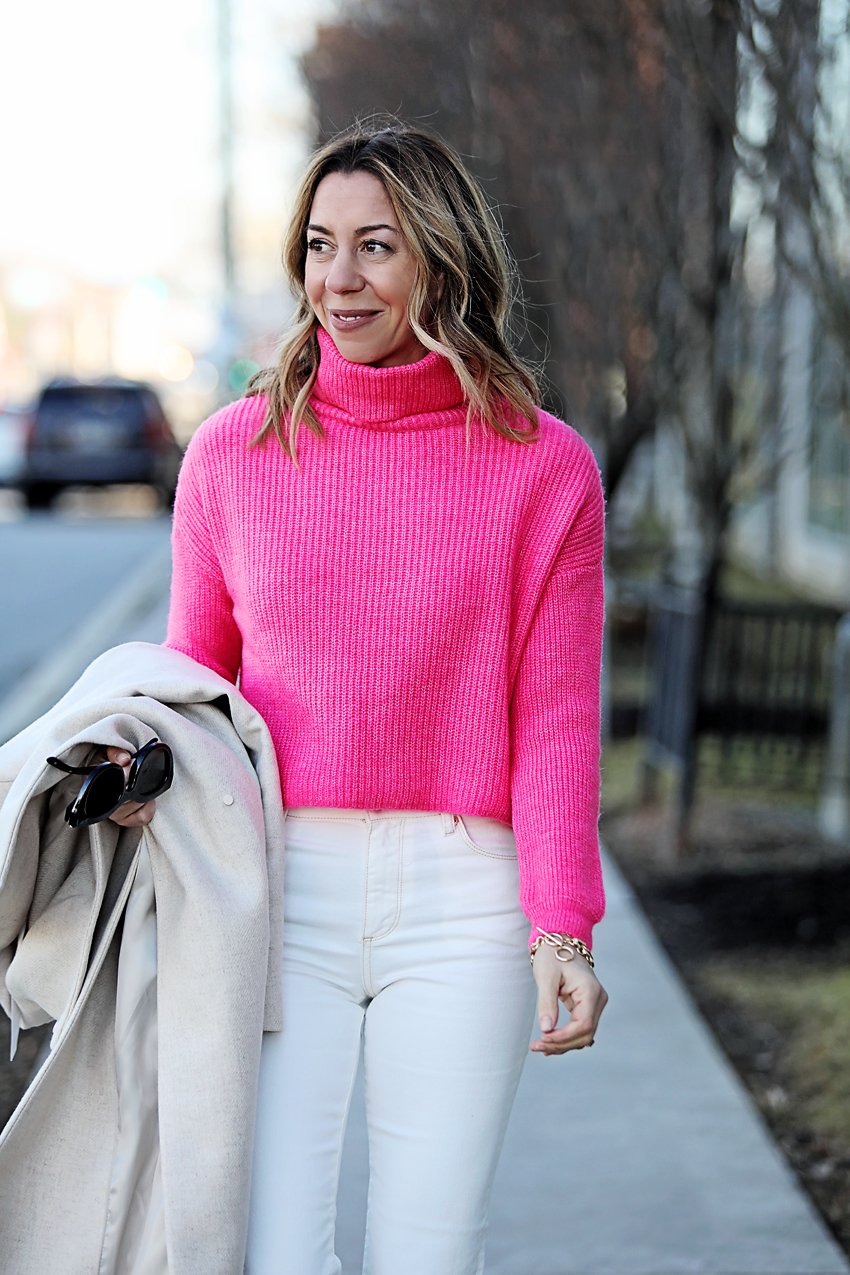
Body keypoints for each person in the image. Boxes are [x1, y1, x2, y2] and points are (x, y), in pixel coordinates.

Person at [106, 119, 608, 1275]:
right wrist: (140, 774)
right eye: (320, 245)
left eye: (376, 246)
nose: (339, 278)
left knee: (428, 1253)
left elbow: (558, 719)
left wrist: (560, 926)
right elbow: (198, 682)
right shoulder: (235, 454)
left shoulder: (544, 466)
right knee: (272, 1251)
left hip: (466, 899)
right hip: (276, 892)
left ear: (440, 257)